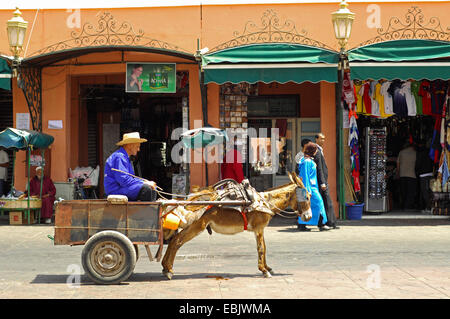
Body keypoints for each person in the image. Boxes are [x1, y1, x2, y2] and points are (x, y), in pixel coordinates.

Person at [104, 132, 157, 201]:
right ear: (130, 145)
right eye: (137, 146)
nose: (138, 150)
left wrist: (144, 182)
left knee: (152, 188)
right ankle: (148, 211)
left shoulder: (124, 157)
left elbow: (129, 178)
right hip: (116, 190)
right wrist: (144, 183)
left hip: (122, 188)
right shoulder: (119, 157)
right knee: (147, 189)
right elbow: (124, 181)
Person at [297, 142, 329, 231]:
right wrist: (308, 191)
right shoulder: (307, 162)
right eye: (315, 150)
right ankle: (321, 224)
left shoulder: (307, 160)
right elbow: (305, 176)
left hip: (308, 188)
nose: (316, 152)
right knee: (319, 204)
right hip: (309, 188)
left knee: (305, 206)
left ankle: (303, 224)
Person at [314, 133, 338, 229]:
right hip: (321, 182)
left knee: (326, 202)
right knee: (324, 202)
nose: (323, 140)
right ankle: (325, 222)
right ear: (316, 139)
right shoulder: (316, 150)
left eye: (324, 139)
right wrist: (322, 182)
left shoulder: (320, 150)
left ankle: (329, 222)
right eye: (321, 139)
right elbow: (319, 168)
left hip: (323, 180)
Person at [397, 141, 417, 210]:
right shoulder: (415, 153)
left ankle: (403, 205)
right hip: (412, 175)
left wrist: (398, 174)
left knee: (403, 191)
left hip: (402, 174)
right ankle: (407, 206)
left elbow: (398, 164)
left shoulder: (401, 152)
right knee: (410, 192)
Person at [415, 139, 434, 212]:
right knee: (430, 190)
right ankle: (430, 206)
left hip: (423, 174)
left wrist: (417, 171)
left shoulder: (420, 153)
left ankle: (428, 207)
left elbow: (418, 164)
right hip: (430, 173)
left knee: (424, 191)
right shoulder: (429, 152)